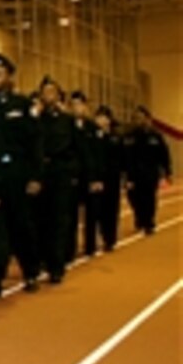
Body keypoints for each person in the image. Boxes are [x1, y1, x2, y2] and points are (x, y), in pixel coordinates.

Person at [0, 53, 43, 292]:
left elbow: (36, 143)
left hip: (18, 173)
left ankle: (30, 272)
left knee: (21, 225)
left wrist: (36, 176)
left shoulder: (22, 106)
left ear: (9, 77)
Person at [36, 78, 80, 283]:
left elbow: (76, 149)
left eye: (52, 91)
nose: (49, 95)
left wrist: (74, 174)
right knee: (42, 220)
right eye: (45, 92)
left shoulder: (67, 120)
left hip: (61, 174)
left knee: (59, 221)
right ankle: (45, 258)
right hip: (41, 174)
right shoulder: (35, 120)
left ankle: (57, 265)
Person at [124, 106, 172, 234]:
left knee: (149, 198)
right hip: (133, 174)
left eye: (141, 118)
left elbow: (164, 154)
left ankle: (148, 222)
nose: (138, 120)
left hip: (150, 173)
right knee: (134, 198)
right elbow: (123, 155)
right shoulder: (128, 136)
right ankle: (140, 217)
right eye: (136, 118)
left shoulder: (155, 136)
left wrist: (167, 172)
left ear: (147, 119)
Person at [69, 91, 105, 258]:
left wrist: (97, 178)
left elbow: (98, 155)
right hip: (73, 177)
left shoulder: (93, 128)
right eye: (73, 104)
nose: (77, 108)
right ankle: (70, 249)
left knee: (91, 214)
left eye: (79, 104)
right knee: (71, 216)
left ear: (85, 106)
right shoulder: (66, 126)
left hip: (89, 176)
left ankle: (90, 246)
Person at [91, 106, 125, 252]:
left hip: (112, 178)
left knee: (111, 208)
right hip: (98, 177)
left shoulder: (116, 137)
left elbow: (122, 157)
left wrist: (124, 174)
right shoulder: (92, 136)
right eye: (99, 117)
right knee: (98, 210)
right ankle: (100, 234)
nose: (102, 120)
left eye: (105, 117)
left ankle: (110, 238)